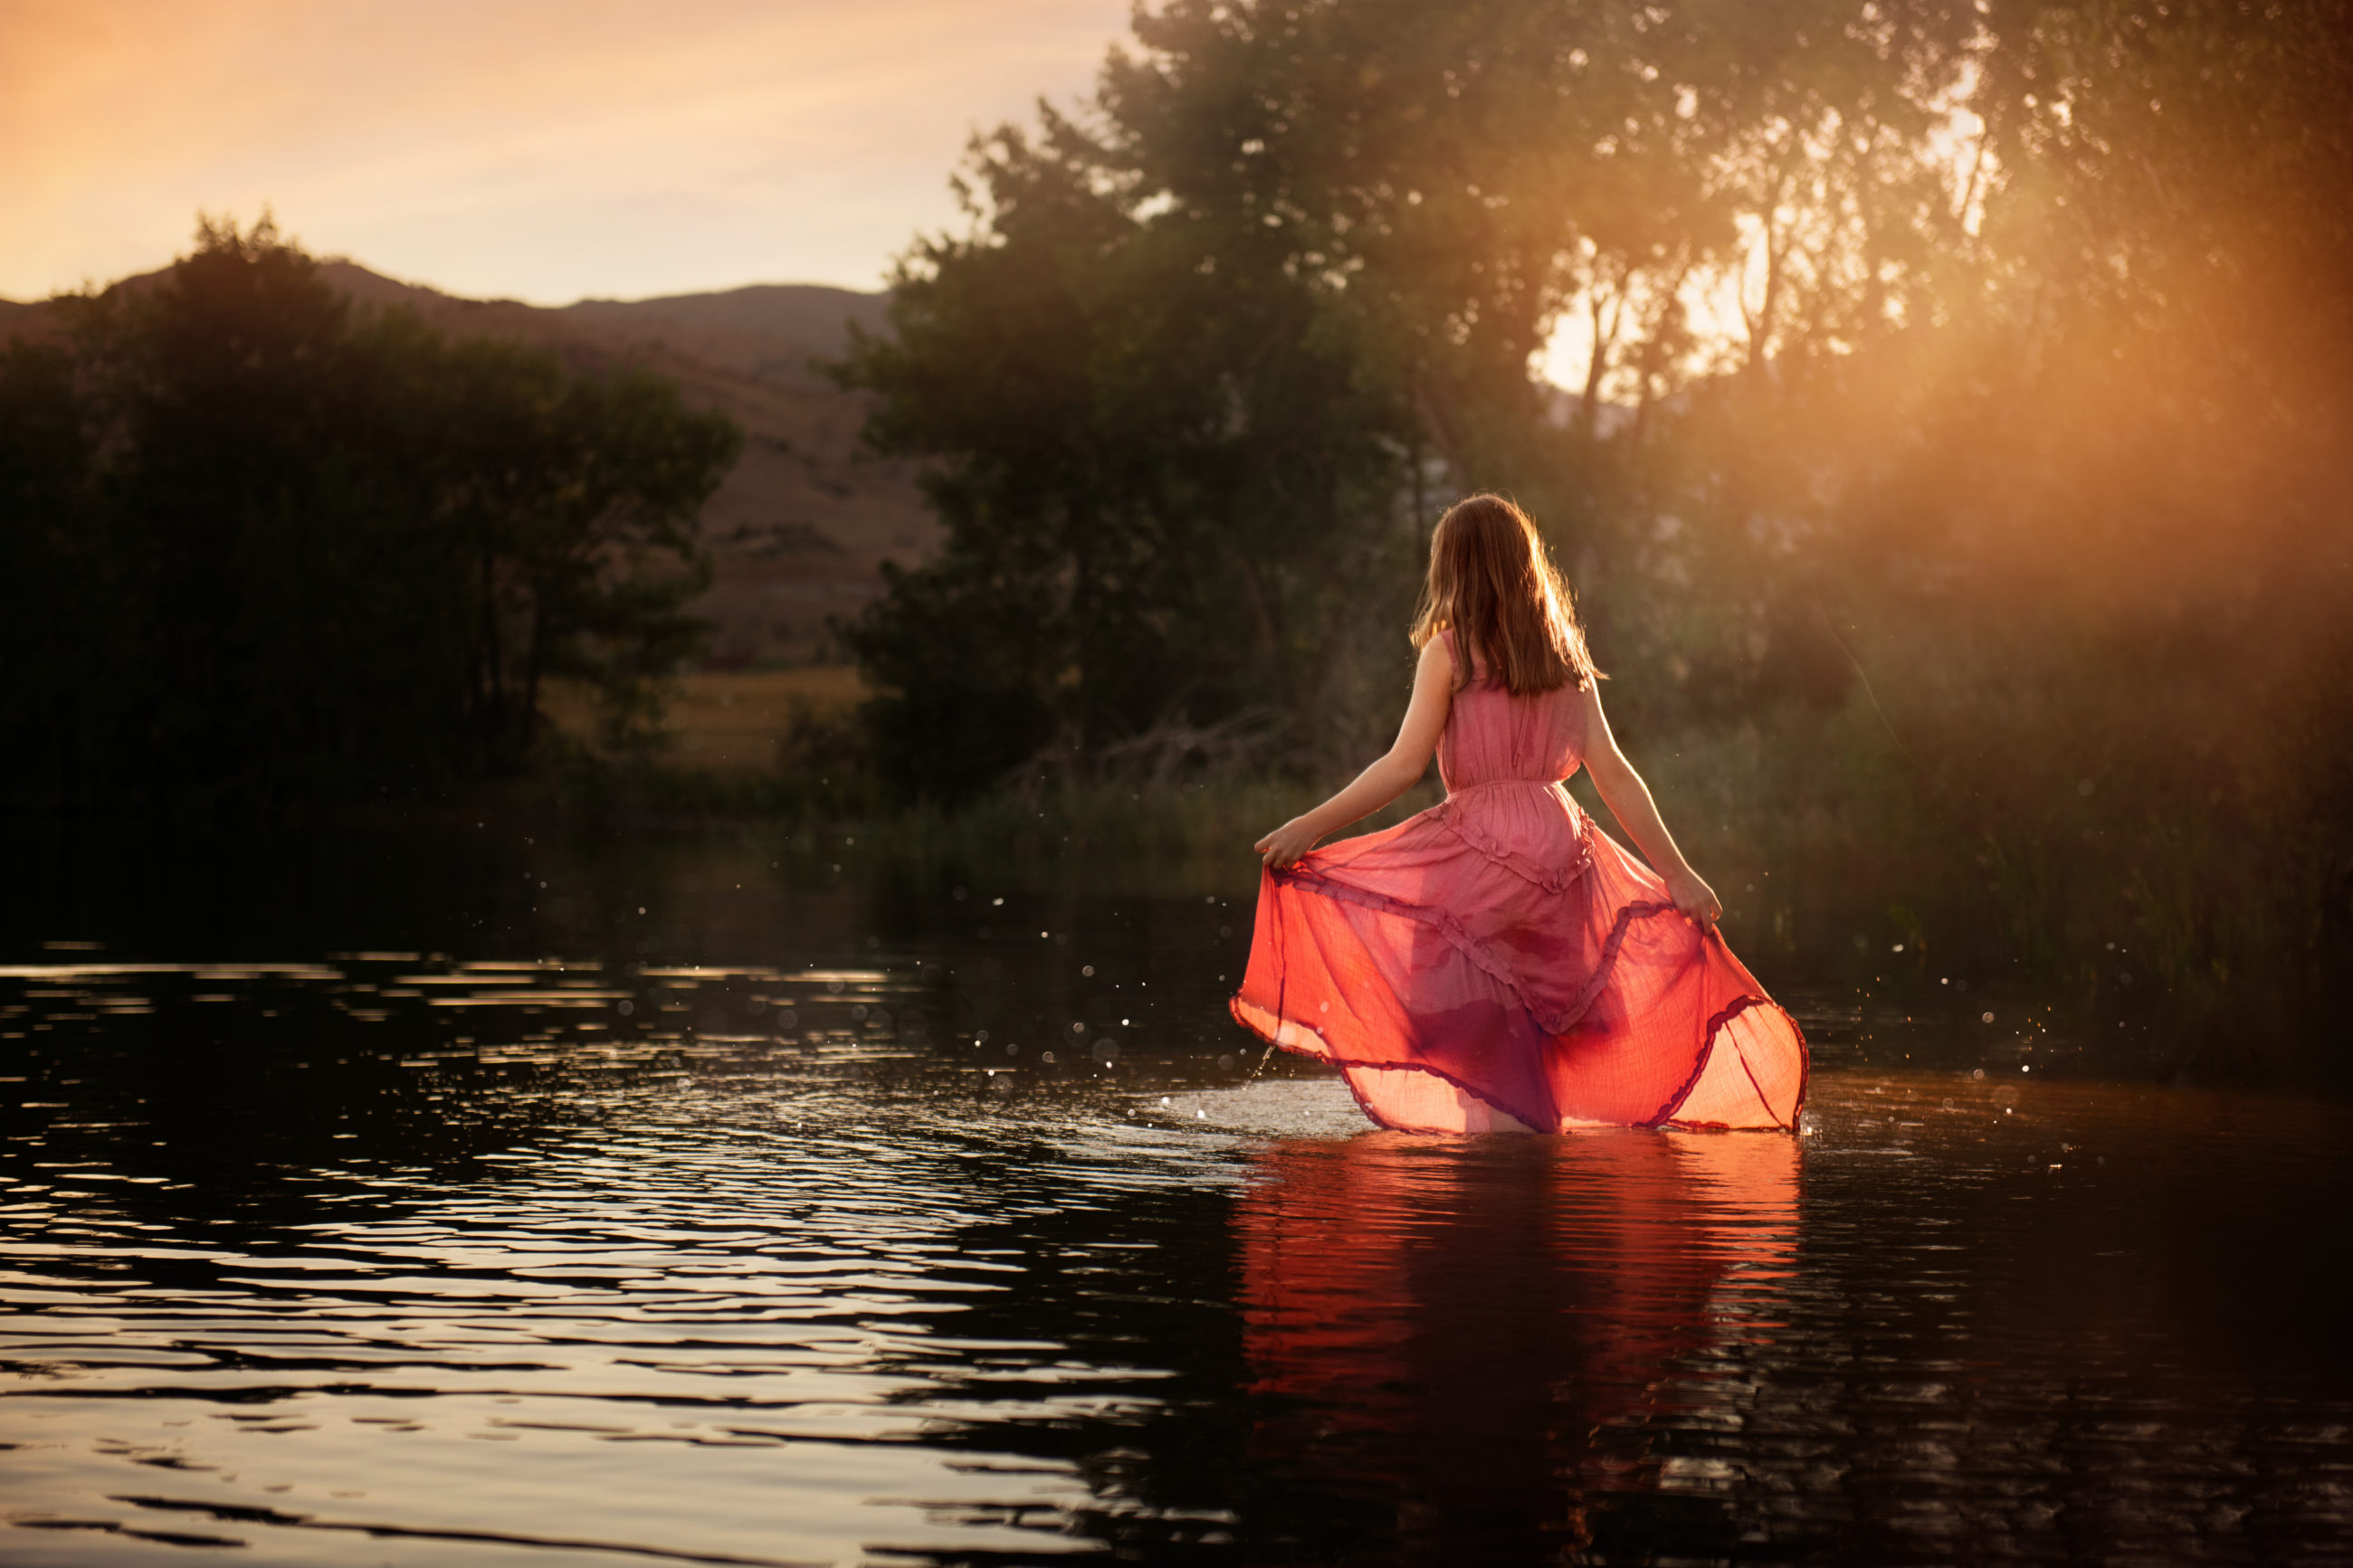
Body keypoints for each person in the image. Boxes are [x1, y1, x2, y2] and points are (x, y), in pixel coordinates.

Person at [1231, 494, 1806, 1133]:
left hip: (1478, 853)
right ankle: (1542, 1180)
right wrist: (1679, 873)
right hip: (1563, 853)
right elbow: (1613, 773)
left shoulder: (1448, 652)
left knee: (1468, 1032)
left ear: (1454, 567)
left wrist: (1312, 824)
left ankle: (1494, 1181)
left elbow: (1401, 766)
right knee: (1548, 1028)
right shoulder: (1565, 658)